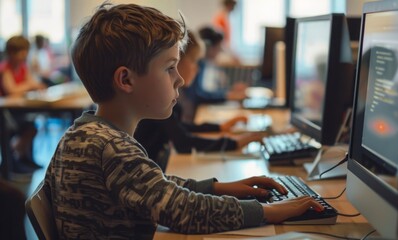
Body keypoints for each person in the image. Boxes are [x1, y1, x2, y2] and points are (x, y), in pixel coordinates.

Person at [43, 3, 323, 239]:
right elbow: (184, 211)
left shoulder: (84, 133)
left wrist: (216, 187)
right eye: (169, 68)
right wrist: (270, 212)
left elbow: (153, 185)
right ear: (126, 79)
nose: (181, 79)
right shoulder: (112, 149)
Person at [134, 30, 258, 172]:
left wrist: (219, 128)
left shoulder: (166, 100)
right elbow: (183, 141)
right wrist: (233, 143)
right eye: (194, 61)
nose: (197, 69)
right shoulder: (158, 100)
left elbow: (181, 128)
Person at [0, 35, 46, 174]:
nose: (23, 54)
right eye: (20, 51)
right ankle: (13, 160)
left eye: (25, 51)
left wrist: (28, 85)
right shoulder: (5, 68)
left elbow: (33, 84)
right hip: (4, 113)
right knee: (23, 127)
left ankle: (24, 159)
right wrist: (28, 86)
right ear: (10, 53)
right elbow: (11, 90)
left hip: (17, 111)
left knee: (31, 126)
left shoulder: (22, 67)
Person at [182, 26, 247, 122]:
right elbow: (197, 95)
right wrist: (227, 95)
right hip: (188, 116)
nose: (220, 51)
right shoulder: (197, 63)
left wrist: (228, 92)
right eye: (218, 47)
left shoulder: (202, 63)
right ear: (208, 47)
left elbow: (201, 92)